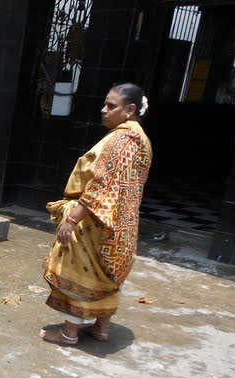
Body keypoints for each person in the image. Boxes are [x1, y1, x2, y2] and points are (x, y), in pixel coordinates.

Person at [41, 83, 153, 345]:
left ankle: (69, 332)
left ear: (130, 110)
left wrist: (71, 219)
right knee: (109, 278)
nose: (104, 110)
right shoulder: (143, 141)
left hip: (96, 222)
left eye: (111, 106)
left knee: (81, 273)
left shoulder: (119, 140)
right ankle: (101, 328)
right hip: (124, 226)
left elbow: (99, 187)